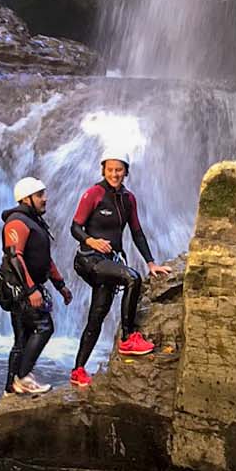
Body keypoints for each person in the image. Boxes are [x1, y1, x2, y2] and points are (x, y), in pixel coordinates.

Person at [68, 151, 170, 387]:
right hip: (88, 259)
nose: (114, 174)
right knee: (132, 278)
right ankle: (128, 338)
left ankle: (78, 370)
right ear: (103, 169)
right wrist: (90, 241)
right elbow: (75, 227)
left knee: (97, 316)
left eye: (119, 170)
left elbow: (137, 232)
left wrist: (151, 262)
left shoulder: (128, 199)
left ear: (126, 171)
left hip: (109, 262)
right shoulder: (94, 193)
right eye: (110, 169)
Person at [0, 175, 72, 397]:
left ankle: (12, 386)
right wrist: (31, 290)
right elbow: (14, 257)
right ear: (26, 199)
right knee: (43, 327)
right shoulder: (17, 222)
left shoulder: (34, 222)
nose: (45, 199)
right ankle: (22, 377)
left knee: (22, 337)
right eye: (40, 195)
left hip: (23, 287)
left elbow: (44, 260)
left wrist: (61, 286)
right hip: (18, 288)